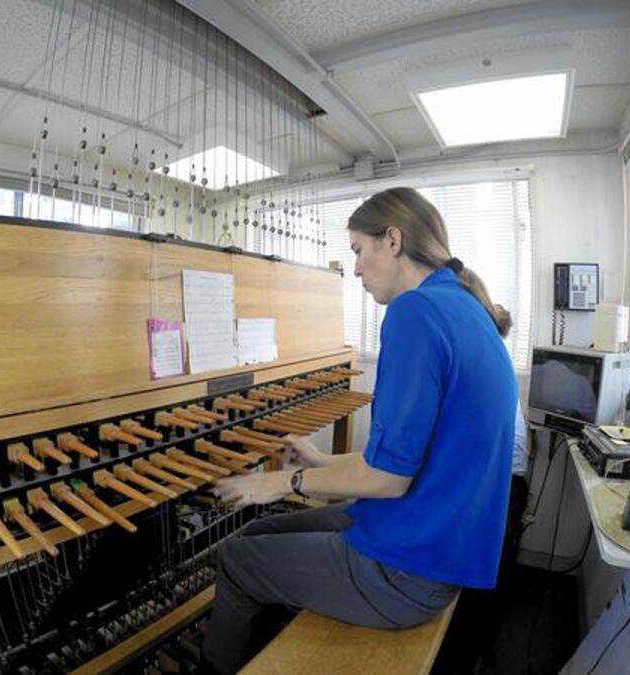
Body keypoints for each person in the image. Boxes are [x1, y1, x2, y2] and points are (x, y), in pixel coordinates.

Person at [202, 187, 519, 674]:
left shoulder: (415, 313)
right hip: (430, 542)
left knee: (236, 558)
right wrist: (321, 461)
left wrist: (281, 481)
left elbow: (388, 479)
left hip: (409, 569)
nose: (353, 269)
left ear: (392, 240)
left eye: (357, 250)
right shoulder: (462, 306)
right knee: (260, 531)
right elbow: (402, 458)